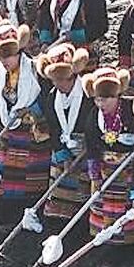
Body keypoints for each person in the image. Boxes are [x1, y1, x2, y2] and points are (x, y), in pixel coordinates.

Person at [0, 23, 55, 224]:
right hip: (8, 131)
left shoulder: (36, 70)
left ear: (19, 51)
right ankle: (6, 216)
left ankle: (31, 214)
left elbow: (48, 99)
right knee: (7, 176)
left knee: (31, 177)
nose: (5, 61)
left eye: (9, 55)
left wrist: (32, 111)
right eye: (2, 56)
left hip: (33, 132)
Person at [79, 65, 134, 267]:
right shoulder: (94, 116)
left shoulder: (132, 111)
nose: (101, 103)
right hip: (107, 169)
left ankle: (132, 248)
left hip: (130, 168)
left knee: (129, 210)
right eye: (98, 99)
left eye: (106, 99)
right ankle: (109, 250)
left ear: (117, 95)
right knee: (107, 212)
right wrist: (94, 174)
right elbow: (91, 144)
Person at [35, 43, 96, 235]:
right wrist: (62, 154)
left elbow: (95, 124)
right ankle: (59, 227)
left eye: (64, 79)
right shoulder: (52, 98)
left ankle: (82, 228)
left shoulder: (89, 96)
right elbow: (53, 128)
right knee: (60, 190)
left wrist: (87, 147)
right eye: (55, 80)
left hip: (87, 149)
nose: (60, 84)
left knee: (85, 190)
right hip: (64, 146)